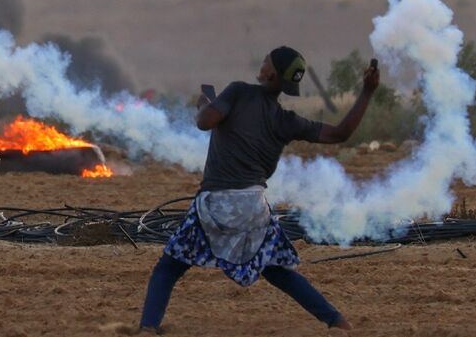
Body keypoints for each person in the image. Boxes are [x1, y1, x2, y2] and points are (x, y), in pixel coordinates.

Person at [137, 46, 379, 333]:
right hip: (254, 207)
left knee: (169, 267)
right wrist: (367, 91)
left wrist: (205, 103)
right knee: (276, 269)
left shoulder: (238, 92)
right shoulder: (287, 121)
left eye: (266, 60)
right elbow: (341, 133)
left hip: (215, 204)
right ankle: (337, 322)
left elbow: (204, 122)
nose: (261, 62)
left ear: (271, 73)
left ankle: (148, 328)